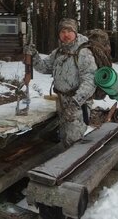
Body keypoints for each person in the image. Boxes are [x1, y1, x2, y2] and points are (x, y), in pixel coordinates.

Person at [24, 18, 97, 147]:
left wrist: (75, 104)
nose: (66, 35)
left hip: (78, 104)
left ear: (75, 32)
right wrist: (33, 54)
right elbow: (44, 67)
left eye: (69, 31)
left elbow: (90, 80)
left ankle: (76, 165)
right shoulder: (58, 52)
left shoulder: (83, 52)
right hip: (62, 101)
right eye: (63, 31)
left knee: (74, 139)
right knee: (64, 136)